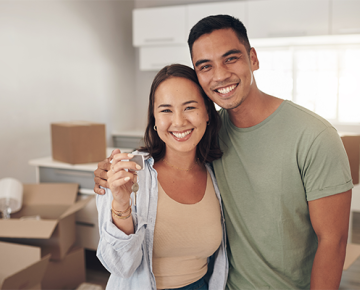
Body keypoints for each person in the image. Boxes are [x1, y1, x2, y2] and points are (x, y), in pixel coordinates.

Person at [94, 15, 353, 290]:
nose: (219, 75)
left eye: (231, 58)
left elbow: (333, 241)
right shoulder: (209, 138)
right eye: (205, 66)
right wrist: (109, 182)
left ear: (253, 58)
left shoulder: (314, 136)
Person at [95, 64, 228, 290]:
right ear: (154, 119)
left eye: (189, 107)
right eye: (166, 110)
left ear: (207, 113)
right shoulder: (130, 173)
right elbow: (119, 266)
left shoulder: (218, 173)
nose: (178, 122)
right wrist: (120, 203)